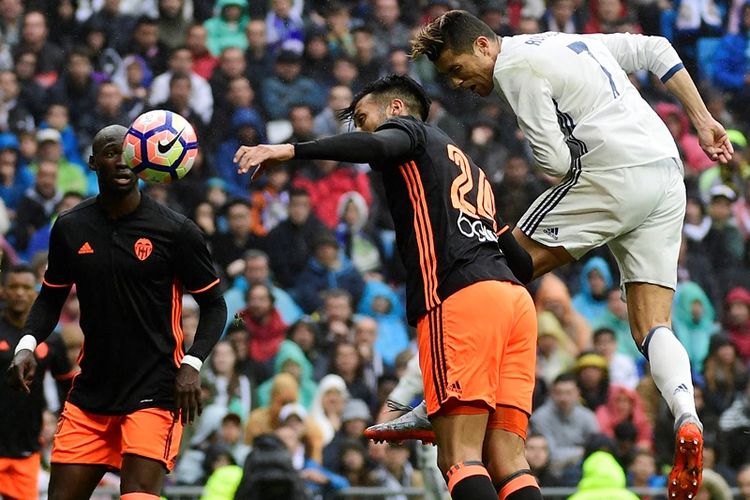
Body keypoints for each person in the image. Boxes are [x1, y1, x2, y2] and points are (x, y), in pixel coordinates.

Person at [405, 10, 735, 498]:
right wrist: (704, 121)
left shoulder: (514, 67)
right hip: (666, 173)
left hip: (612, 173)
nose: (459, 83)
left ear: (482, 46)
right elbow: (658, 49)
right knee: (651, 327)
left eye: (457, 69)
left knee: (495, 264)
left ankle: (454, 397)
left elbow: (556, 162)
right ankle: (686, 415)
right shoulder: (564, 39)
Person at [234, 74, 539, 500]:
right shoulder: (470, 166)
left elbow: (376, 146)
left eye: (362, 118)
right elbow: (522, 264)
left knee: (459, 455)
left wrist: (289, 149)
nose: (359, 130)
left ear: (395, 109)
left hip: (461, 298)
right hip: (515, 304)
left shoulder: (411, 132)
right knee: (509, 458)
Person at [6, 125, 227, 500]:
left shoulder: (176, 231)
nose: (123, 160)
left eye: (130, 152)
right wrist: (26, 344)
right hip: (92, 393)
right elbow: (50, 297)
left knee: (138, 496)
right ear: (93, 162)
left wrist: (192, 363)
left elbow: (215, 305)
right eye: (111, 152)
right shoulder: (71, 227)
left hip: (155, 391)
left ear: (142, 161)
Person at [0, 265, 77, 500]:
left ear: (35, 292)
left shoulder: (50, 339)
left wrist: (63, 423)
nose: (20, 293)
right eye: (13, 287)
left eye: (26, 287)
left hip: (28, 446)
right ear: (3, 291)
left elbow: (68, 387)